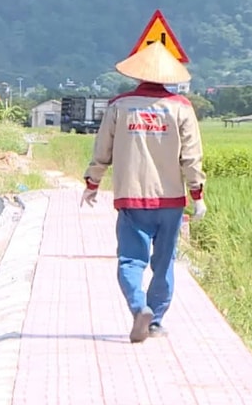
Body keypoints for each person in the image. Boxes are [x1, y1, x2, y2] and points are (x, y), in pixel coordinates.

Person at [82, 41, 206, 344]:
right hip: (171, 201)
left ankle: (140, 307)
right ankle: (155, 321)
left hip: (132, 198)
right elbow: (191, 156)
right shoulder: (182, 108)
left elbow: (103, 150)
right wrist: (197, 195)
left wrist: (92, 183)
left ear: (137, 74)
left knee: (130, 261)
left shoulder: (119, 105)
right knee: (164, 263)